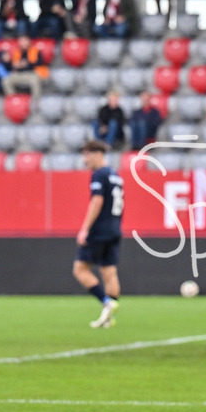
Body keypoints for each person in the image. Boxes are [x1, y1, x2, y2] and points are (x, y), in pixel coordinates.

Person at [73, 139, 124, 329]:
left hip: (100, 230)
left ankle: (106, 302)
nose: (85, 159)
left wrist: (85, 228)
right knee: (109, 272)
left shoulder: (99, 174)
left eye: (87, 154)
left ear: (97, 154)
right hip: (115, 229)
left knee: (80, 269)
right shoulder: (115, 175)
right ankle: (108, 318)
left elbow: (97, 201)